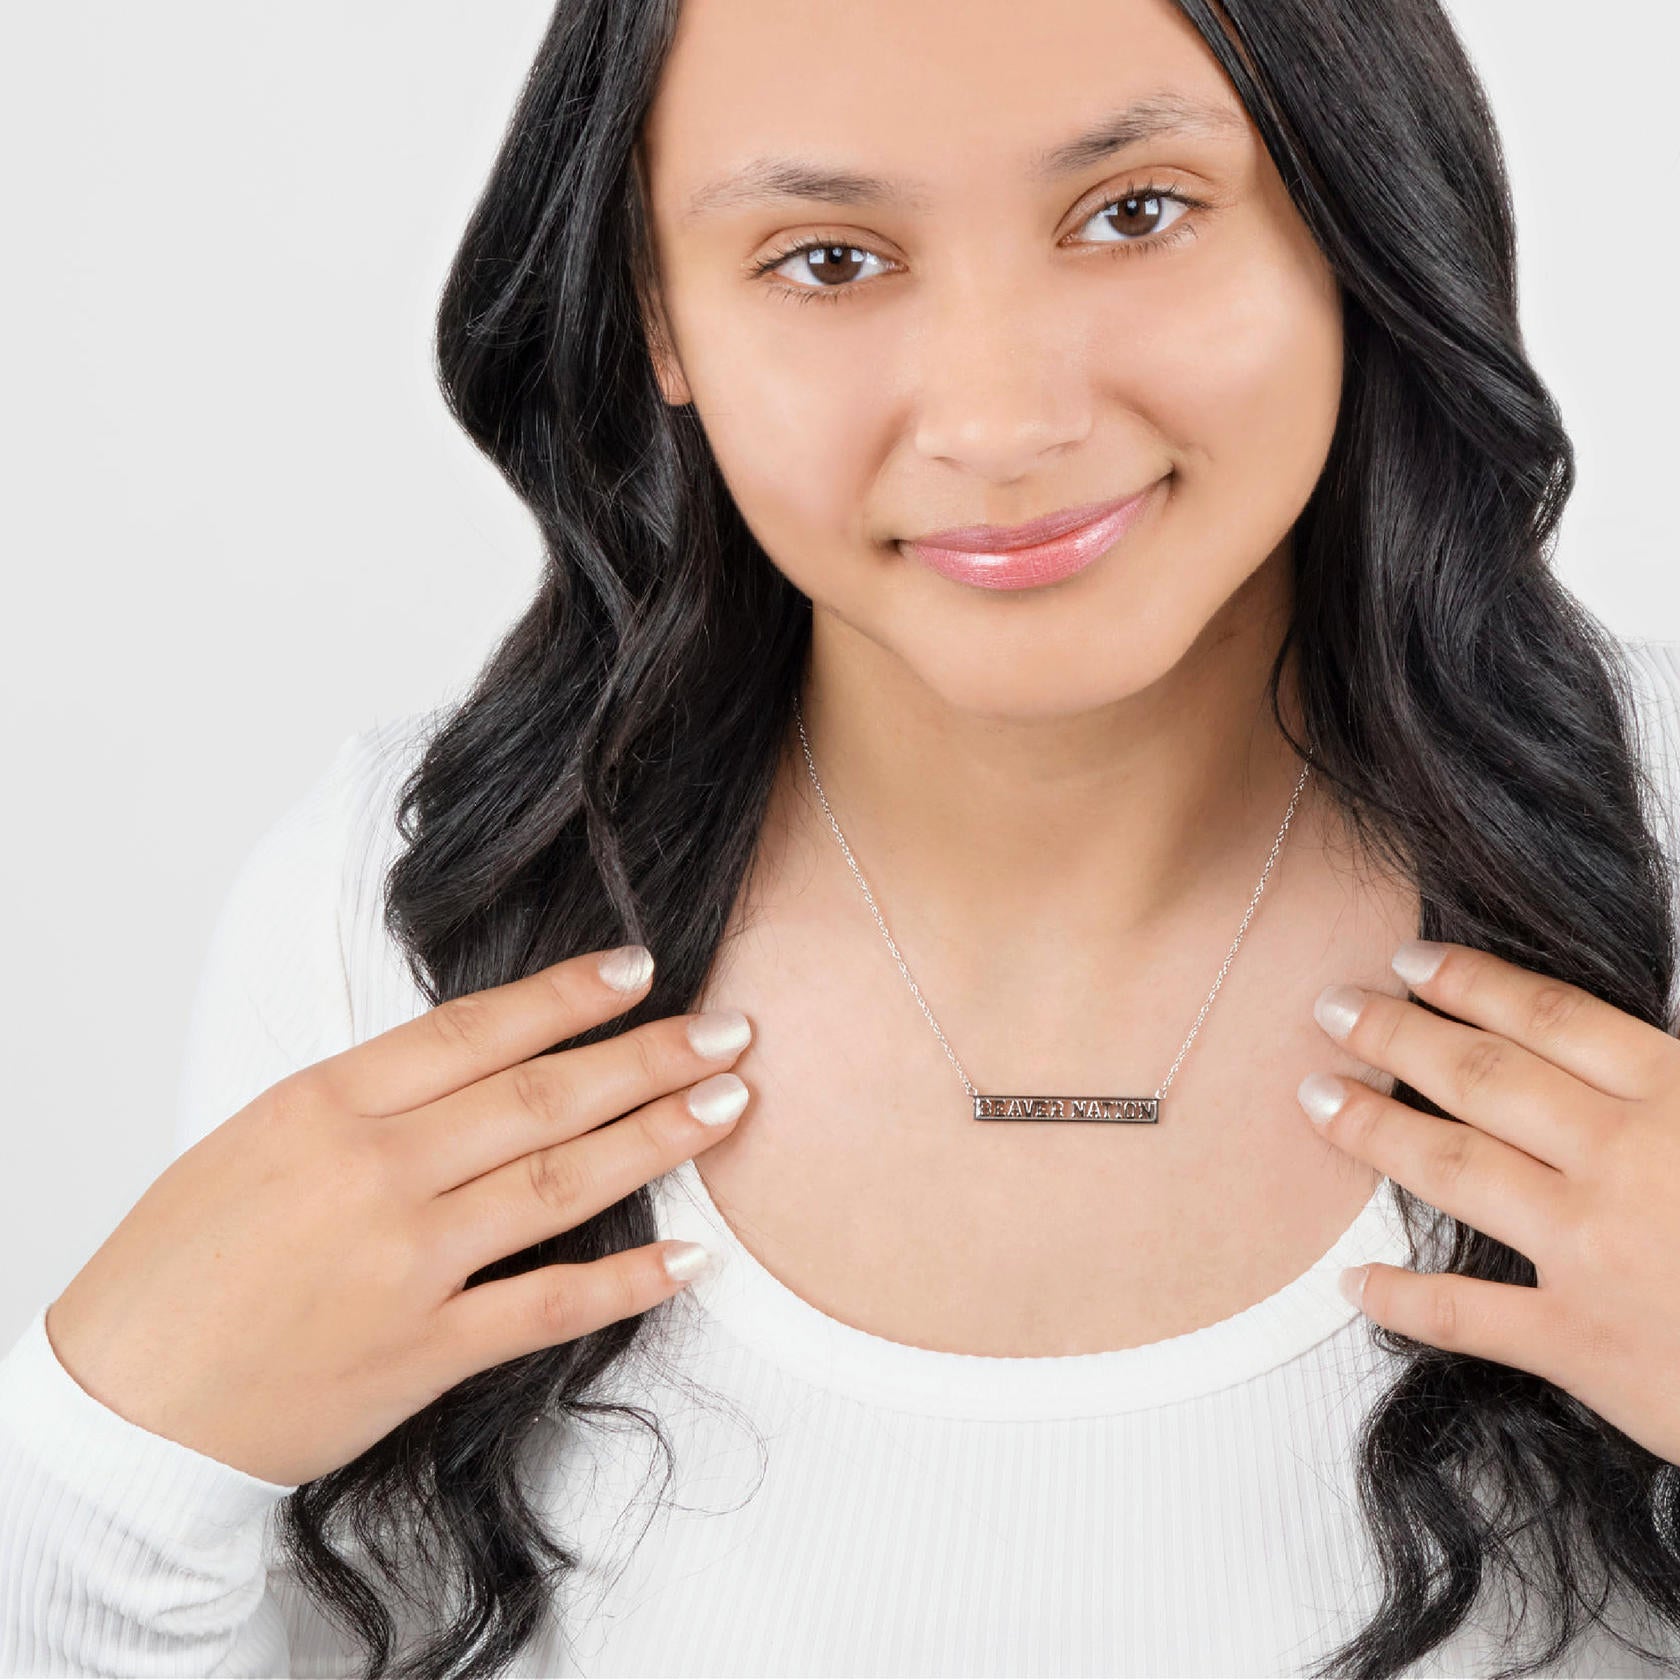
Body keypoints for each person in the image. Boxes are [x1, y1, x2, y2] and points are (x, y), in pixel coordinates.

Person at [3, 0, 1679, 1675]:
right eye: (826, 259)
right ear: (658, 313)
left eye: (1135, 212)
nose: (1000, 422)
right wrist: (108, 1454)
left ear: (1361, 219)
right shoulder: (402, 908)